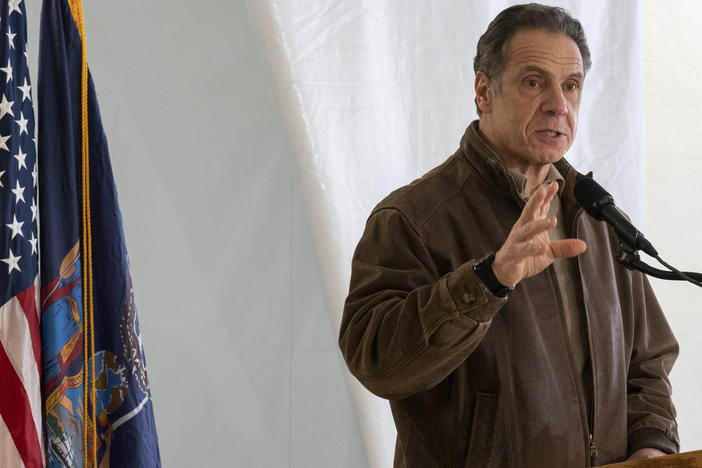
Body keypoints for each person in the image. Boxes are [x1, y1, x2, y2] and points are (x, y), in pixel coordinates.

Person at [338, 3, 679, 467]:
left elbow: (648, 363)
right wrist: (488, 280)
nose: (558, 105)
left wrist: (650, 445)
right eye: (534, 82)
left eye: (571, 85)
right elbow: (377, 362)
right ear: (484, 90)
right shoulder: (414, 217)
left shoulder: (596, 216)